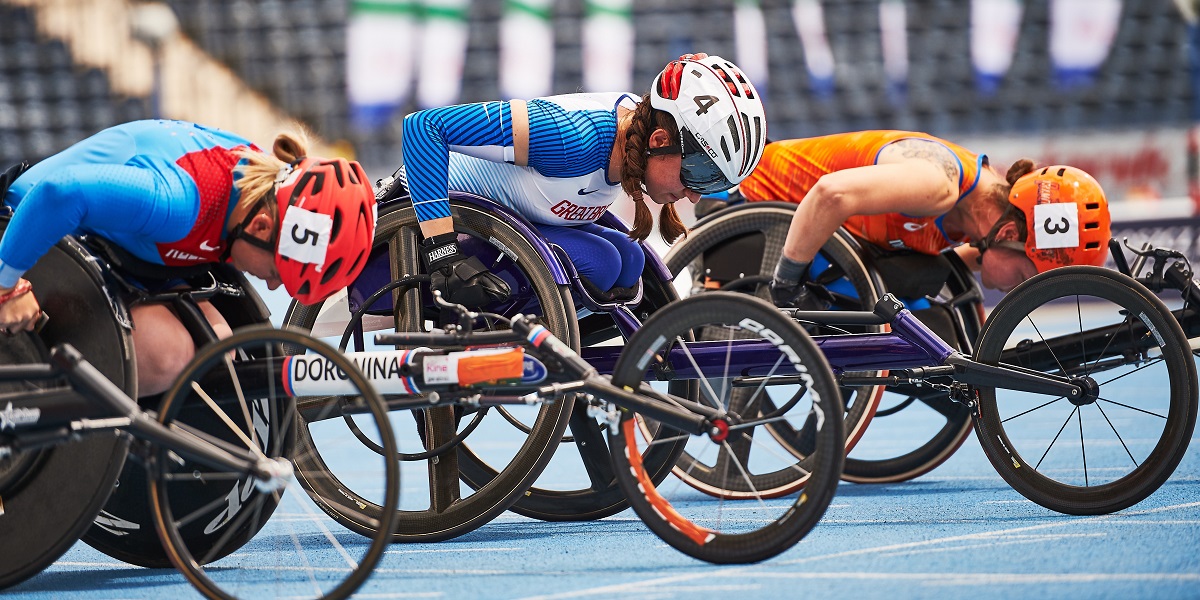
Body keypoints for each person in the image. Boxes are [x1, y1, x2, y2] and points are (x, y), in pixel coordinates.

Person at [0, 119, 376, 395]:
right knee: (165, 355)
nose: (276, 284)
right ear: (260, 227)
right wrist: (7, 286)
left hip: (111, 244)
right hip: (25, 229)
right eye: (279, 269)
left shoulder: (258, 188)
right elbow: (58, 194)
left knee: (219, 343)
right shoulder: (177, 203)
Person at [397, 53, 767, 306]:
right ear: (659, 142)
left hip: (515, 224)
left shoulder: (632, 142)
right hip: (434, 219)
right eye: (698, 175)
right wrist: (443, 252)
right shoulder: (572, 139)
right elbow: (423, 127)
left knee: (630, 259)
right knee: (603, 262)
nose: (695, 195)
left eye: (710, 182)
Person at [735, 131, 1112, 307]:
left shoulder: (974, 222)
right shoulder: (938, 184)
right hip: (750, 199)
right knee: (912, 302)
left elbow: (971, 262)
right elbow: (830, 194)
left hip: (806, 228)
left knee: (925, 283)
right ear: (1010, 232)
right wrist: (784, 283)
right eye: (1026, 277)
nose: (1020, 290)